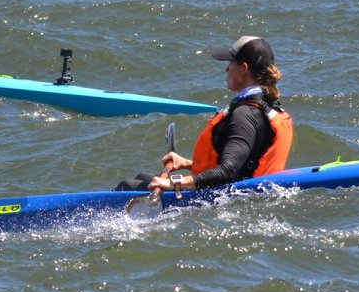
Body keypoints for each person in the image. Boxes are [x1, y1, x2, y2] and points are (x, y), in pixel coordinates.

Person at [115, 35, 293, 194]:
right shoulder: (270, 107)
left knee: (127, 186)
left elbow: (227, 171)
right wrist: (187, 163)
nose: (227, 69)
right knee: (142, 177)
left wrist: (176, 182)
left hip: (221, 199)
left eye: (230, 64)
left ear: (243, 68)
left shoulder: (245, 114)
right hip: (245, 192)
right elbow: (245, 165)